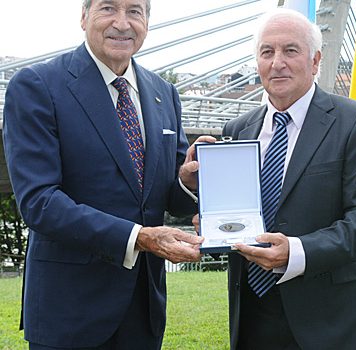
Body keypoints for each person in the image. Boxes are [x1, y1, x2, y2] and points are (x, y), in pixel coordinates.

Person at [2, 0, 205, 348]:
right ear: (83, 17)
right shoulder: (37, 86)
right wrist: (138, 237)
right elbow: (39, 203)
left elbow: (167, 197)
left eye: (135, 11)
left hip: (143, 312)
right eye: (108, 8)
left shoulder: (164, 94)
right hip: (69, 312)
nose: (122, 23)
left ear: (147, 22)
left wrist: (187, 182)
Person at [190, 9, 356, 349]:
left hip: (330, 320)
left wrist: (295, 252)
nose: (277, 62)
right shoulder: (237, 130)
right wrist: (208, 217)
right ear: (257, 62)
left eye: (290, 50)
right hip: (253, 316)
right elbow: (235, 212)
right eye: (267, 52)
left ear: (315, 62)